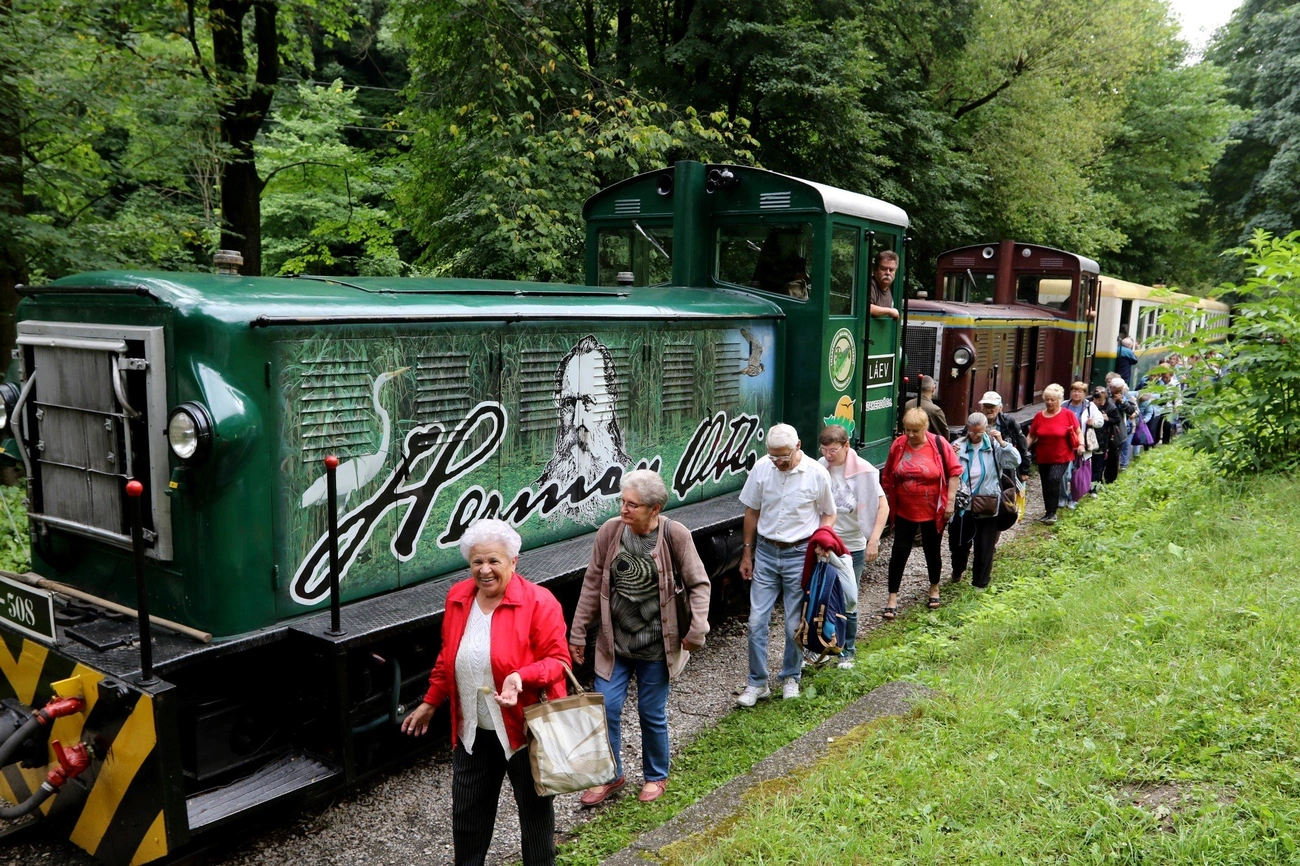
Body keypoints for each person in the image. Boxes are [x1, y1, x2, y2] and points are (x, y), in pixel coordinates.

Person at [401, 519, 569, 866]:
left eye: (494, 561)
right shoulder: (459, 598)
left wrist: (521, 676)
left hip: (525, 731)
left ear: (513, 562)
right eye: (477, 561)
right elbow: (448, 656)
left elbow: (558, 661)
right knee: (467, 820)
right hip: (473, 731)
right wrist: (431, 701)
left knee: (535, 819)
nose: (485, 569)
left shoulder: (539, 602)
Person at [569, 470, 712, 806]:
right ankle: (610, 775)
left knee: (651, 712)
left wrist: (698, 629)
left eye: (632, 504)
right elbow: (592, 584)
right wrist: (577, 632)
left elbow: (699, 584)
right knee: (607, 708)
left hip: (656, 647)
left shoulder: (675, 535)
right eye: (622, 501)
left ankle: (655, 776)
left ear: (655, 509)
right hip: (614, 644)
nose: (624, 509)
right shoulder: (610, 532)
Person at [737, 424, 836, 706]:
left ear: (798, 446)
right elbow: (752, 511)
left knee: (794, 621)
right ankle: (757, 683)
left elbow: (829, 514)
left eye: (783, 457)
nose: (779, 462)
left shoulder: (816, 474)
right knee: (756, 622)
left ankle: (791, 676)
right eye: (773, 457)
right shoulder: (762, 469)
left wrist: (823, 540)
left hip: (800, 554)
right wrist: (747, 552)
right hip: (767, 552)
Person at [536, 335, 631, 522]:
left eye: (588, 402)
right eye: (569, 403)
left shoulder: (631, 480)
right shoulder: (542, 489)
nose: (577, 420)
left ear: (610, 405)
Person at [817, 425, 889, 669]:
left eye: (833, 450)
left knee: (849, 598)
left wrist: (874, 539)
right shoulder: (819, 468)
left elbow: (883, 506)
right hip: (826, 543)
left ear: (847, 446)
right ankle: (823, 645)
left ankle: (847, 650)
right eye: (824, 450)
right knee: (822, 596)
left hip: (853, 545)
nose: (828, 455)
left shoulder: (865, 472)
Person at [880, 408, 962, 618]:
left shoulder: (939, 445)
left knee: (932, 550)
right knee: (899, 551)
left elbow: (954, 473)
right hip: (904, 510)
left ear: (925, 428)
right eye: (907, 430)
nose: (911, 435)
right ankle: (892, 597)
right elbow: (888, 475)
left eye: (915, 430)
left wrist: (950, 501)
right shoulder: (899, 445)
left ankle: (934, 587)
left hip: (932, 510)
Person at [949, 412, 1020, 590]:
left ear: (986, 429)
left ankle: (980, 584)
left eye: (979, 433)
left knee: (985, 547)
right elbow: (946, 471)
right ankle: (958, 570)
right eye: (971, 432)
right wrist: (949, 456)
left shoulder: (995, 446)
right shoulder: (958, 446)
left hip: (988, 504)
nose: (974, 436)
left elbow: (1014, 461)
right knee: (958, 545)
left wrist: (1004, 443)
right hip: (962, 506)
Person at [1026, 384, 1084, 525]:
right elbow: (1032, 435)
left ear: (1059, 400)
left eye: (1053, 399)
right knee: (1046, 484)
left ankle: (1053, 513)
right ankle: (1048, 512)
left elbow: (1078, 431)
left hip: (1062, 456)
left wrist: (1081, 444)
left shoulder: (1067, 414)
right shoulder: (1039, 416)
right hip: (1044, 456)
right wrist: (1023, 450)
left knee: (1054, 479)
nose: (1050, 402)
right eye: (1047, 399)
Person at [979, 391, 1030, 483]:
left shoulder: (1008, 421)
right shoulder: (976, 421)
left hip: (1005, 465)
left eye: (992, 406)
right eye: (986, 406)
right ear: (981, 408)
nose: (988, 409)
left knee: (1008, 492)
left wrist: (1024, 470)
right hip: (981, 464)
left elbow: (1022, 445)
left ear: (1000, 408)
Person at [1065, 381, 1103, 501]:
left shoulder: (1090, 406)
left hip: (1082, 444)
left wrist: (1093, 422)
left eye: (1079, 391)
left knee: (1078, 473)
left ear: (1084, 393)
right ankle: (1064, 496)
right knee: (1066, 474)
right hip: (1066, 444)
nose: (1076, 393)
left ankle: (1074, 498)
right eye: (1074, 391)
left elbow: (1100, 421)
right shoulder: (1064, 405)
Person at [1092, 386, 1124, 485]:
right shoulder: (1091, 402)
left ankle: (1105, 480)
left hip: (1108, 436)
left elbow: (1117, 420)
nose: (1097, 402)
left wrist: (1108, 419)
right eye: (1096, 399)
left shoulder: (1111, 406)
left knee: (1107, 459)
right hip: (1095, 433)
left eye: (1100, 400)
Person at [869, 250, 901, 319]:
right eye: (883, 269)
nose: (888, 273)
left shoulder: (890, 289)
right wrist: (889, 311)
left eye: (891, 270)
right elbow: (866, 308)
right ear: (875, 270)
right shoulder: (870, 285)